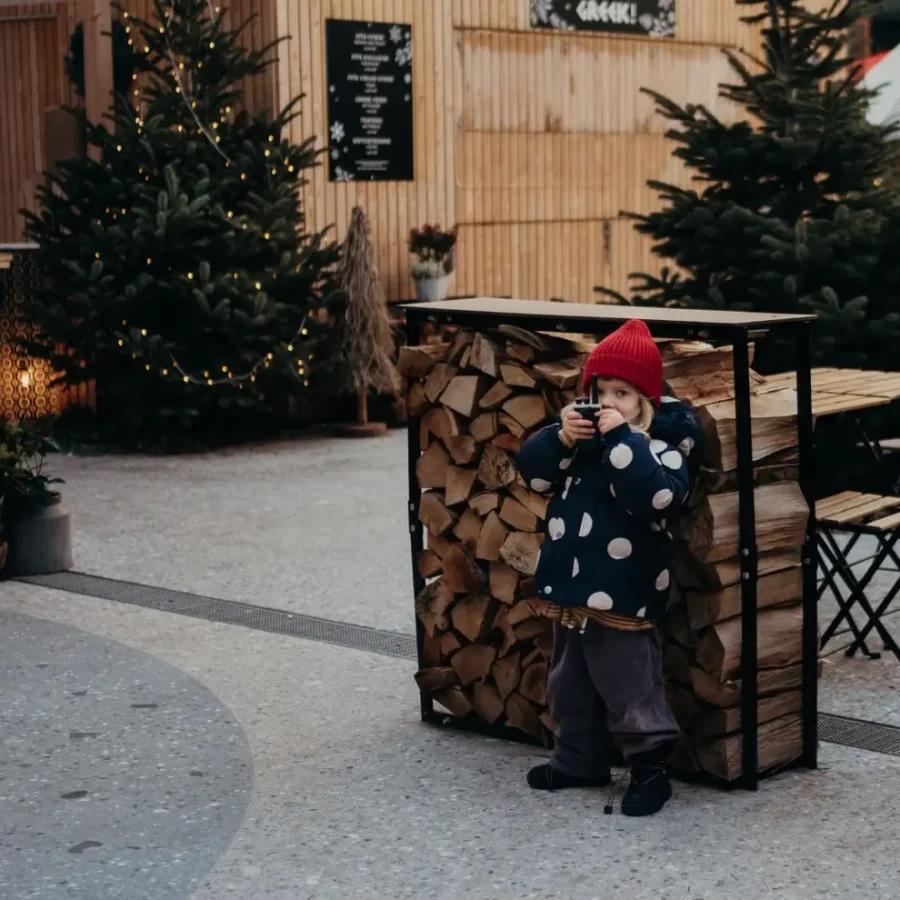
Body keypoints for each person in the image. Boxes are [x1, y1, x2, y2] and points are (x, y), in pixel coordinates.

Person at [515, 319, 702, 817]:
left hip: (624, 592)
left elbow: (657, 498)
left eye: (623, 392)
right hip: (573, 590)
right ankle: (579, 759)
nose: (608, 401)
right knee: (567, 681)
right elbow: (532, 474)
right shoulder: (580, 446)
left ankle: (650, 770)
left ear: (646, 402)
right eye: (600, 390)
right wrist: (560, 437)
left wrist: (623, 441)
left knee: (629, 683)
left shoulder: (658, 445)